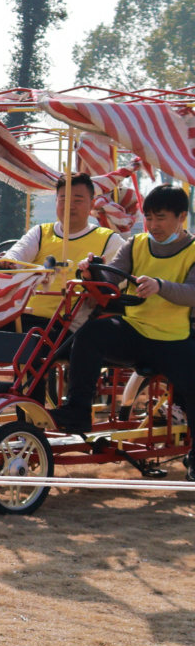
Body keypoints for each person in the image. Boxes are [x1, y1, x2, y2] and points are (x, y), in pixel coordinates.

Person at [53, 184, 195, 456]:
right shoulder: (136, 244)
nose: (153, 225)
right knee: (90, 334)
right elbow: (110, 279)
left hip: (173, 339)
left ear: (182, 217)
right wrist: (90, 273)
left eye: (161, 217)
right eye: (148, 217)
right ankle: (77, 412)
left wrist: (160, 286)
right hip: (135, 331)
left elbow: (192, 293)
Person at [0, 173, 122, 334]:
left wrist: (99, 292)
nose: (70, 206)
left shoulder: (110, 240)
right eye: (63, 200)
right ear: (56, 202)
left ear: (91, 205)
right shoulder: (41, 233)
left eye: (77, 200)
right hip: (22, 314)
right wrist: (9, 260)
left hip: (65, 325)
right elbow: (18, 253)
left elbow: (122, 277)